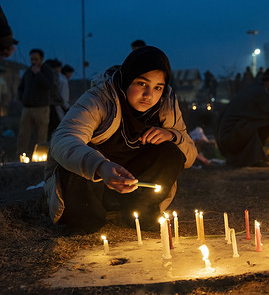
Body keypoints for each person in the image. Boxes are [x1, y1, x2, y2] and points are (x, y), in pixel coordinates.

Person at [44, 46, 198, 234]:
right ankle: (84, 219)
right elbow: (63, 139)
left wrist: (172, 135)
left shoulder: (166, 105)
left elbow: (189, 155)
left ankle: (141, 212)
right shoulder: (99, 99)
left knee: (172, 151)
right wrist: (100, 166)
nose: (149, 95)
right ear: (127, 79)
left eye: (158, 87)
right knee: (78, 154)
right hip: (93, 188)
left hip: (132, 190)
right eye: (142, 84)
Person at [16, 49, 54, 156]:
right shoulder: (28, 72)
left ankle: (40, 159)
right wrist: (22, 97)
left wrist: (38, 74)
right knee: (23, 136)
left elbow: (49, 85)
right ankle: (20, 158)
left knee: (41, 136)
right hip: (27, 108)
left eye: (36, 59)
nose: (33, 62)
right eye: (32, 59)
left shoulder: (47, 71)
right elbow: (21, 87)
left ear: (41, 59)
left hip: (41, 108)